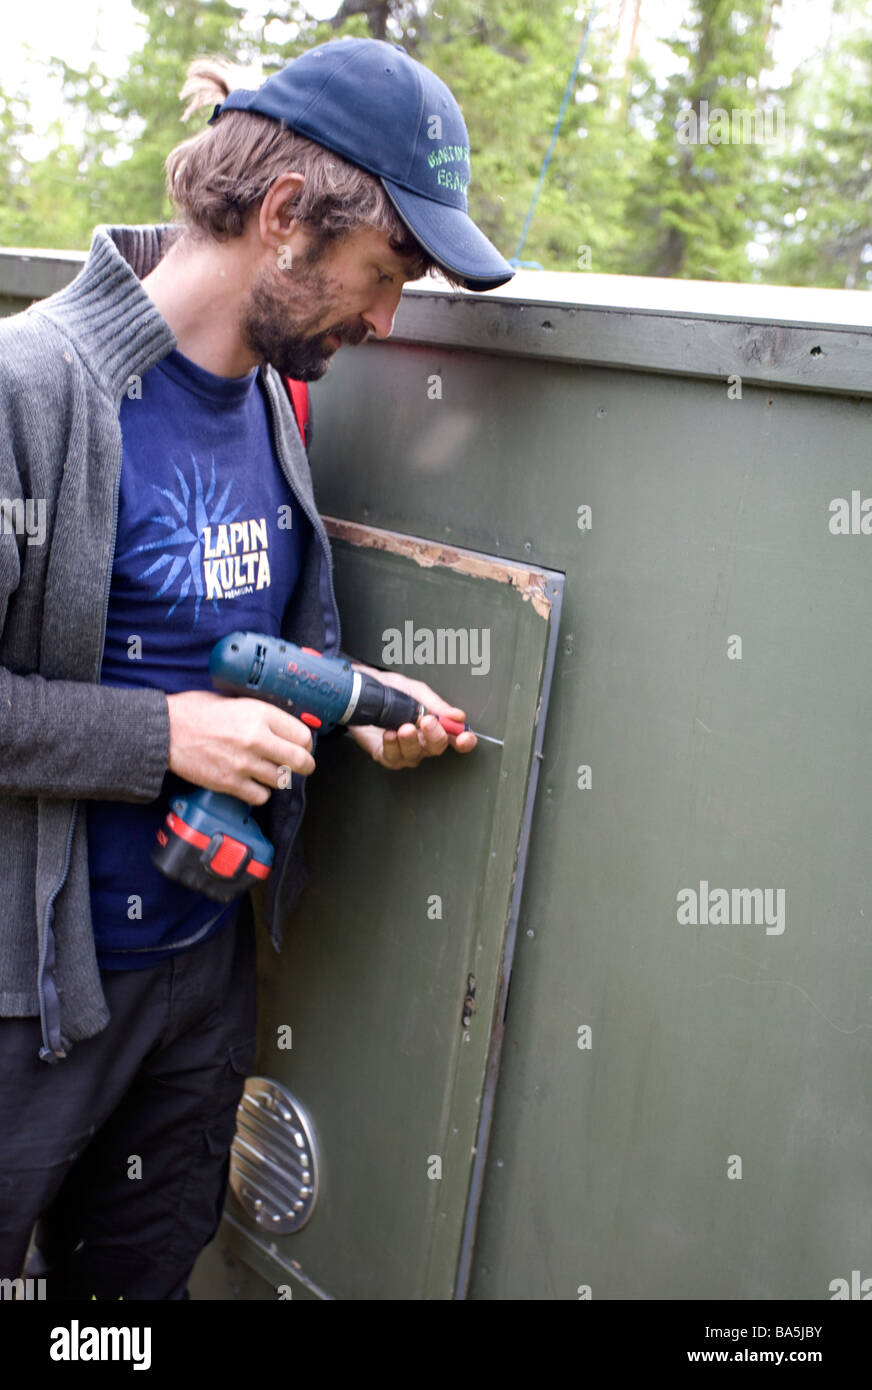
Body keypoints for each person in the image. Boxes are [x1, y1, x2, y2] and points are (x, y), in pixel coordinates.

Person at [0, 35, 514, 1300]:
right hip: (33, 1000)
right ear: (284, 216)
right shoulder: (32, 390)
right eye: (385, 270)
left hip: (195, 984)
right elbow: (174, 706)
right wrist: (162, 738)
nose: (389, 317)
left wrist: (359, 714)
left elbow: (244, 640)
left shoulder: (272, 405)